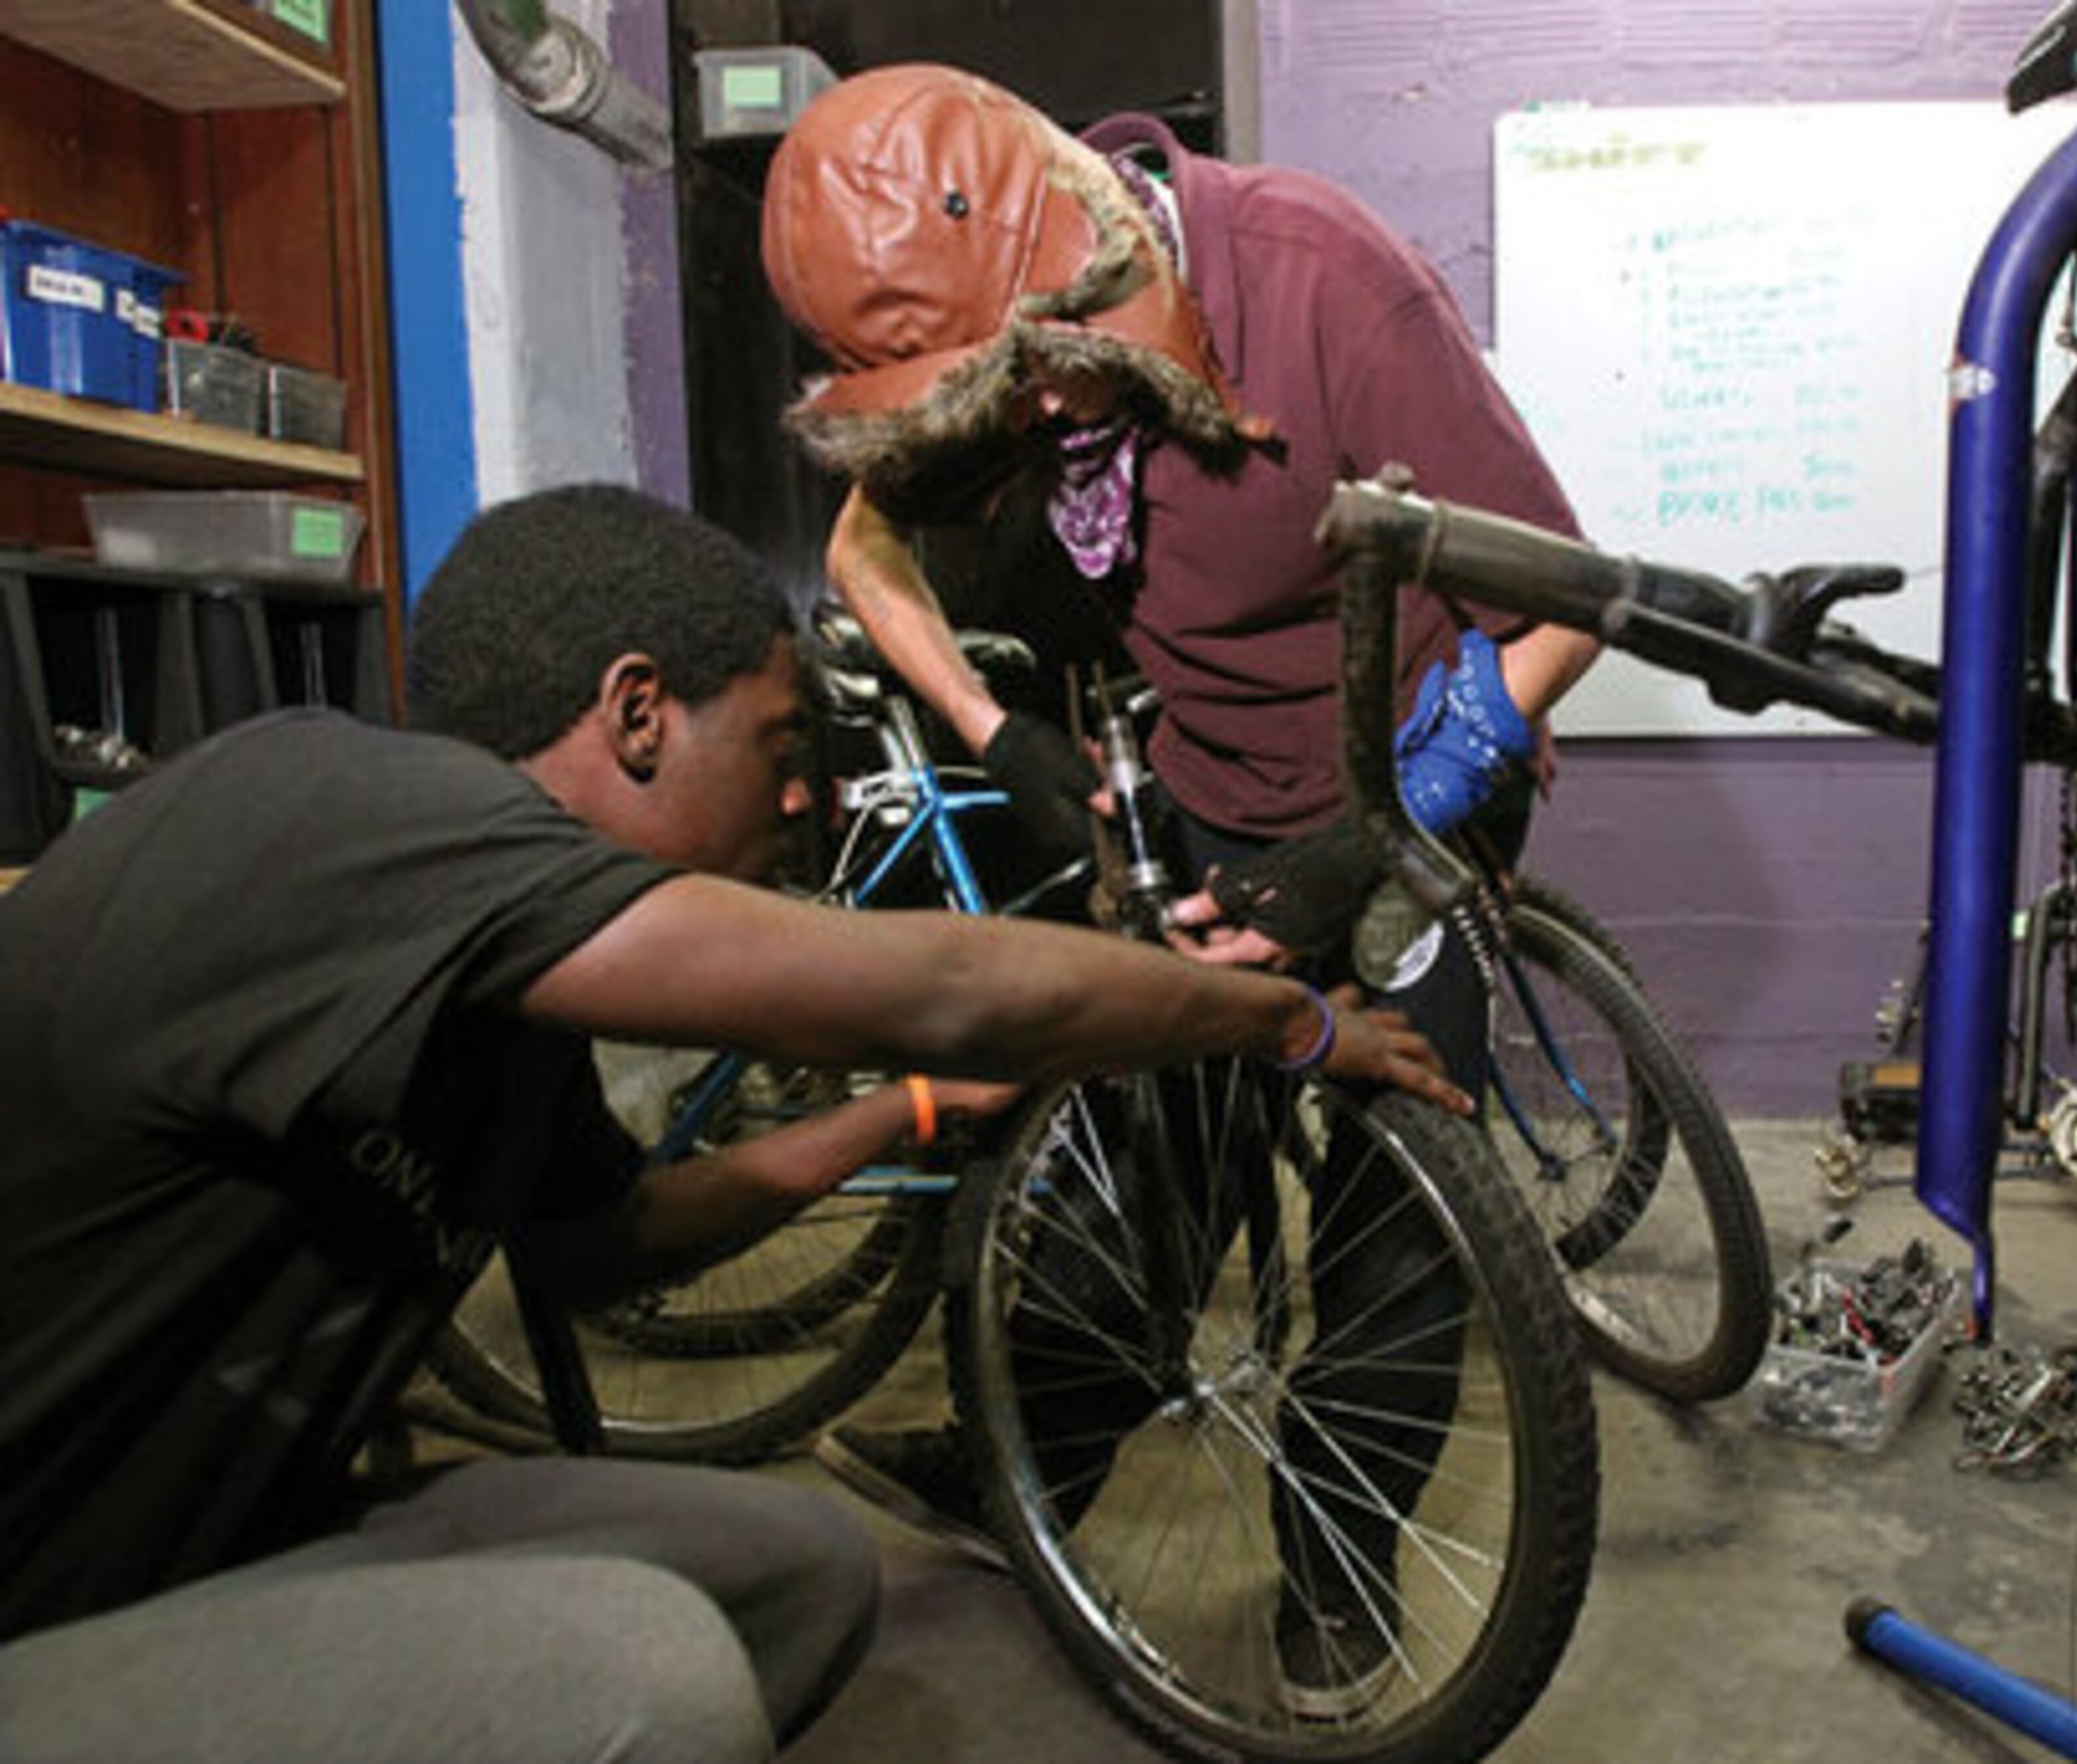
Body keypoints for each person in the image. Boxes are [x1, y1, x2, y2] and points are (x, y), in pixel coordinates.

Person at [0, 482, 1468, 1764]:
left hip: (219, 1542)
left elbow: (600, 1247)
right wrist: (1286, 1019)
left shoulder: (495, 989)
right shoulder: (337, 805)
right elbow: (949, 988)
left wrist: (897, 1115)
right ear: (639, 712)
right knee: (661, 1685)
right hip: (43, 1624)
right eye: (776, 738)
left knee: (793, 1576)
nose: (800, 794)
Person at [756, 62, 1600, 1716]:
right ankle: (1035, 1461)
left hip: (1408, 775)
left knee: (1390, 1210)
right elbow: (866, 556)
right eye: (1001, 395)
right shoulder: (993, 371)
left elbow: (1566, 601)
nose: (1044, 419)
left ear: (1087, 242)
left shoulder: (1323, 278)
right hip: (1198, 798)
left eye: (1051, 374)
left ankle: (1342, 1567)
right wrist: (1003, 738)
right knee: (1149, 1148)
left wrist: (1373, 838)